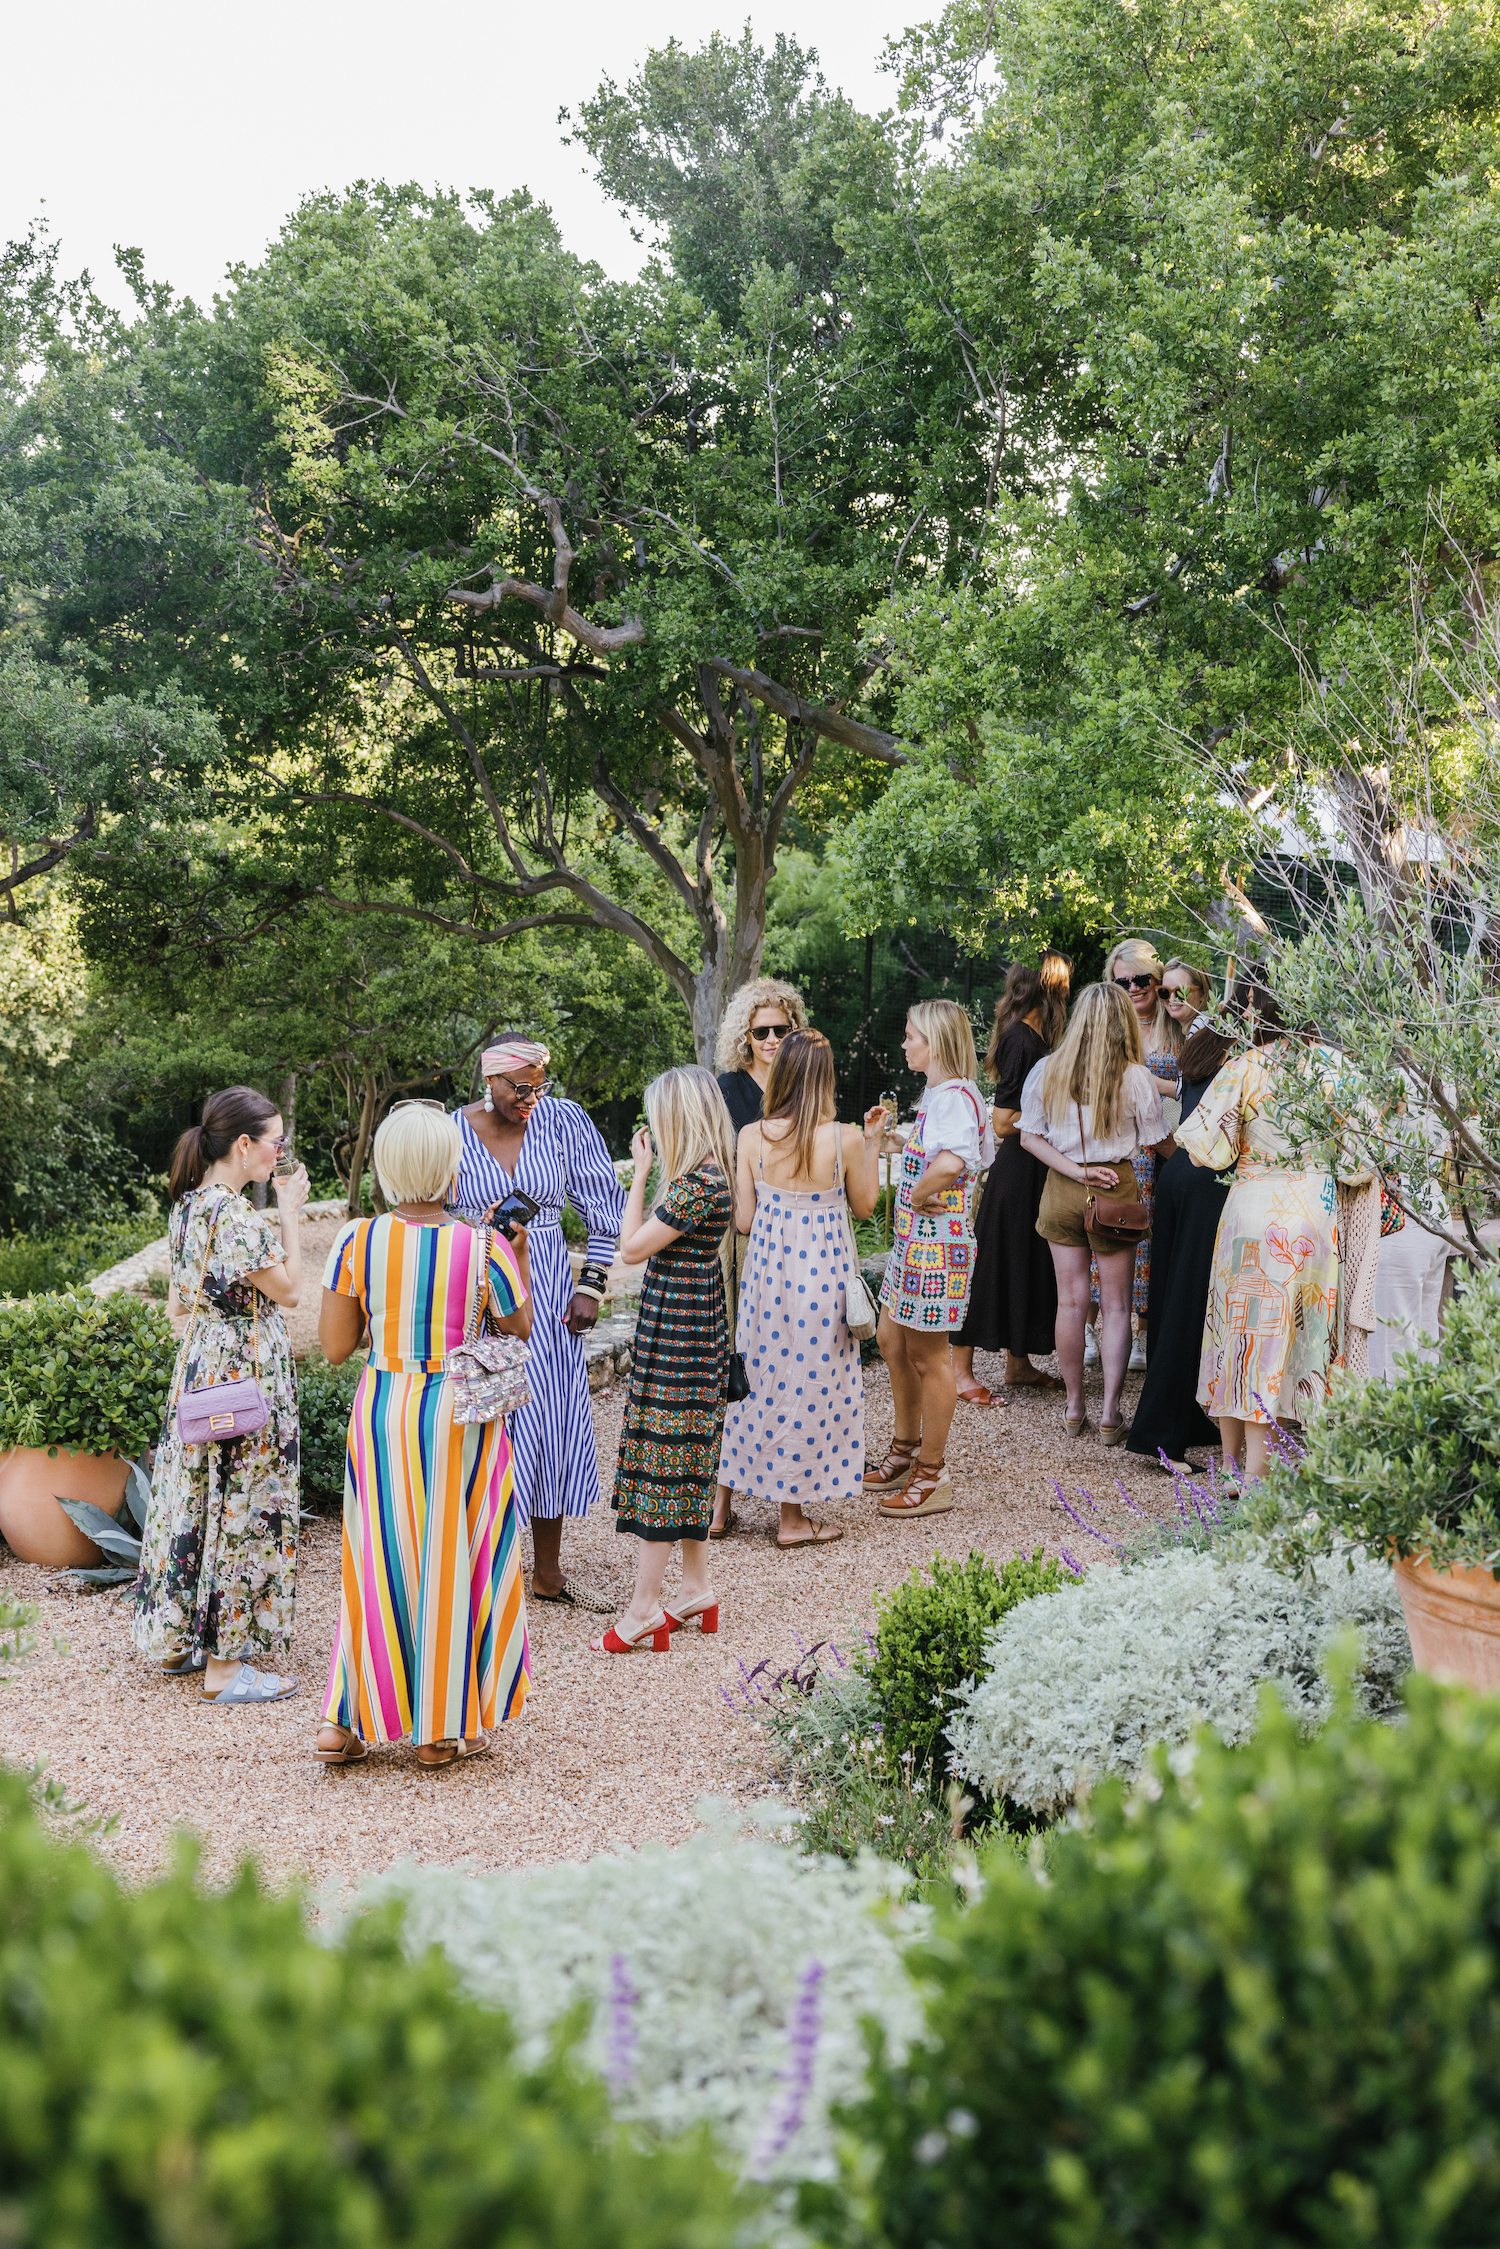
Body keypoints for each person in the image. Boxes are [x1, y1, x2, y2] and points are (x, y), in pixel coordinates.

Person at [314, 1103, 532, 1767]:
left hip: (384, 1404)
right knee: (453, 1555)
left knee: (376, 1558)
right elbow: (519, 1326)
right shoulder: (484, 1245)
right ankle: (440, 1729)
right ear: (450, 1166)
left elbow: (333, 1346)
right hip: (458, 1411)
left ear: (385, 1165)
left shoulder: (357, 1240)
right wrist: (514, 1256)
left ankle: (344, 1719)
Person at [132, 1086, 309, 1703]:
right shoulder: (236, 1215)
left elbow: (180, 1304)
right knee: (243, 1503)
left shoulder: (187, 1208)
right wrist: (289, 1209)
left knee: (200, 1496)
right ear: (244, 1144)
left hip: (203, 1363)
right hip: (246, 1369)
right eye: (275, 1142)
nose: (279, 1153)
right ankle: (226, 1669)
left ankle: (184, 1638)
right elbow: (288, 1292)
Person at [450, 1037, 624, 1612]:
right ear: (489, 1081)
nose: (530, 1097)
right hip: (476, 1288)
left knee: (547, 1421)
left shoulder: (563, 1120)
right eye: (518, 1087)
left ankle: (547, 1573)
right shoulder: (450, 1133)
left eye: (539, 1085)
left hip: (548, 1293)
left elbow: (606, 1205)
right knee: (486, 1416)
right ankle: (488, 1575)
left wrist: (591, 1286)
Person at [1177, 982, 1364, 1480]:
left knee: (1239, 1335)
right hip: (1312, 1211)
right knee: (1301, 1333)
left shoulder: (1244, 1066)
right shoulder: (1338, 1068)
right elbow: (1359, 1167)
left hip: (1251, 1206)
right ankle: (1273, 1467)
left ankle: (1235, 1467)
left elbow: (1201, 1151)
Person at [716, 1029, 883, 1545]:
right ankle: (791, 1518)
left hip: (767, 1278)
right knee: (809, 1384)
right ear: (825, 1077)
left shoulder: (751, 1137)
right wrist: (874, 1143)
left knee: (752, 1378)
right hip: (823, 1277)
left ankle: (718, 1508)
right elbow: (865, 1207)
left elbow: (743, 1220)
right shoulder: (845, 1138)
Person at [602, 1068, 736, 1651]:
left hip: (681, 1336)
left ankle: (642, 1610)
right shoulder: (709, 1175)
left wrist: (639, 1177)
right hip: (690, 1327)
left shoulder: (694, 1185)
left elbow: (630, 1249)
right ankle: (697, 1588)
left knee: (665, 1458)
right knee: (685, 1454)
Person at [1020, 982, 1172, 1445]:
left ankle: (1073, 1406)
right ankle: (1109, 1413)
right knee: (1118, 1306)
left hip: (1063, 1188)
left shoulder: (1047, 1070)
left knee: (1071, 1301)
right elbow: (1157, 1142)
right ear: (1123, 1023)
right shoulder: (1135, 1078)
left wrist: (1076, 1171)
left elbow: (1029, 1137)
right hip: (1116, 1192)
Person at [867, 1001, 995, 1517]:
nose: (904, 1044)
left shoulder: (952, 1098)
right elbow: (944, 1149)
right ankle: (904, 1449)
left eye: (910, 1036)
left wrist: (919, 1192)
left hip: (935, 1250)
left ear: (935, 1043)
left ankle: (930, 1474)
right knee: (891, 1339)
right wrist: (897, 1140)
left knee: (929, 1358)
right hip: (916, 1248)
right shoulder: (944, 1094)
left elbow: (954, 1159)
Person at [952, 952, 1071, 1407]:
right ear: (1050, 988)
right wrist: (1056, 1115)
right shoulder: (1021, 1039)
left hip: (1034, 1168)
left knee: (1026, 1263)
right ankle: (960, 1371)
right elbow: (1002, 1122)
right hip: (1018, 1174)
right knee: (994, 1266)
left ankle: (1017, 1364)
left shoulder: (1033, 1035)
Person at [1125, 1021, 1234, 1472]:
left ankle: (1183, 1417)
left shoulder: (1205, 1044)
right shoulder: (1247, 1054)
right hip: (1209, 1181)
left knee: (1169, 1299)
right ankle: (1160, 1434)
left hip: (1178, 1178)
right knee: (1188, 1303)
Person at [1094, 938, 1181, 1370]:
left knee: (1149, 1239)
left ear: (1157, 978)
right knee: (1103, 1232)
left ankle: (1144, 1337)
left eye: (1141, 978)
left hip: (1163, 1145)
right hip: (1118, 1146)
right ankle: (1096, 1333)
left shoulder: (1177, 1025)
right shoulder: (1107, 1027)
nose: (1133, 987)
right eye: (1122, 980)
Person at [714, 977, 809, 1135]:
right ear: (746, 1037)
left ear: (793, 1031)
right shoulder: (726, 1088)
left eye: (780, 1030)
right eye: (761, 1032)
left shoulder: (805, 1085)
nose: (772, 1040)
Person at [1161, 958, 1216, 1045]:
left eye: (1180, 992)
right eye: (1164, 992)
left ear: (1202, 993)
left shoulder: (1202, 1025)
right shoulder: (1196, 1027)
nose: (1172, 999)